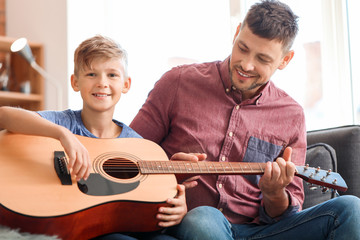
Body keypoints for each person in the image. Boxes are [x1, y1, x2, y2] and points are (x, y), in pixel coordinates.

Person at [130, 0, 360, 239]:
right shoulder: (177, 83)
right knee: (203, 218)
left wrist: (274, 194)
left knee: (351, 208)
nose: (246, 64)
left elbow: (287, 213)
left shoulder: (291, 115)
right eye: (243, 48)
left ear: (285, 60)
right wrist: (170, 171)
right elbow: (128, 155)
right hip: (195, 224)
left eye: (262, 59)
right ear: (236, 32)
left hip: (260, 231)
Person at [0, 35, 184, 240]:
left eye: (112, 75)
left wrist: (177, 202)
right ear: (75, 82)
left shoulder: (137, 145)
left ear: (126, 84)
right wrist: (63, 135)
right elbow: (4, 115)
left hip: (115, 223)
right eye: (91, 74)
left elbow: (153, 195)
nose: (102, 83)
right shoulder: (64, 123)